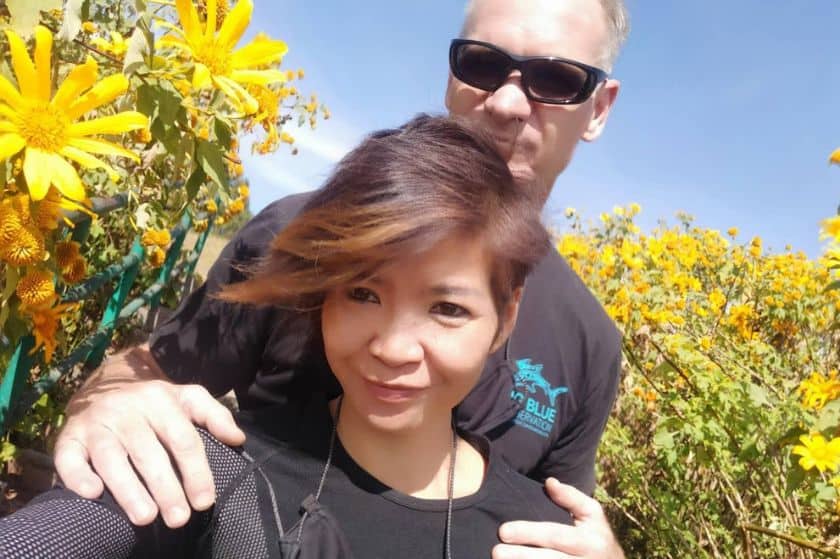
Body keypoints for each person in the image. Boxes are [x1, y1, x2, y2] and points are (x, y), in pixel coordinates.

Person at [53, 0, 629, 557]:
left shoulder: (589, 340)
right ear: (452, 77)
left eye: (554, 78)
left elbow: (559, 513)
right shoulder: (299, 232)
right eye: (480, 63)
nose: (506, 102)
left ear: (599, 109)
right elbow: (153, 368)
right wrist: (108, 404)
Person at [1, 115, 570, 558]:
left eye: (447, 308)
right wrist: (111, 410)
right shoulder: (213, 472)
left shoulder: (542, 539)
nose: (393, 348)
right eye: (362, 293)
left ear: (507, 316)